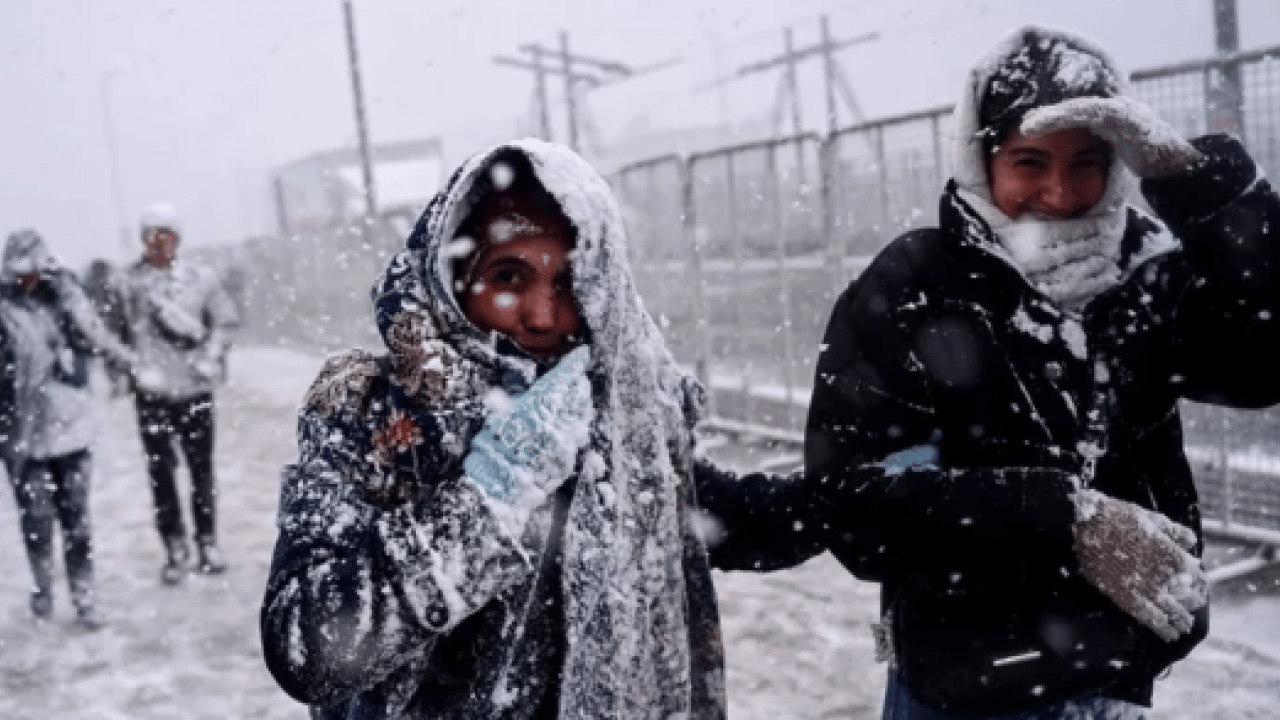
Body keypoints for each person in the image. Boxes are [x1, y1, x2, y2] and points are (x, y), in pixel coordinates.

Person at [805, 26, 1280, 719]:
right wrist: (1062, 519)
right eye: (1030, 161)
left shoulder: (1143, 270)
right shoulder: (916, 283)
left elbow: (1263, 362)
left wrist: (1204, 188)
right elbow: (851, 502)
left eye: (1088, 162)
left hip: (1115, 677)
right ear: (982, 158)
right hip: (962, 690)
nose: (1060, 193)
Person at [260, 139, 821, 719]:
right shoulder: (369, 410)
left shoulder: (607, 405)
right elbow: (307, 646)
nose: (543, 315)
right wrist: (491, 496)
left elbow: (697, 513)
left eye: (571, 282)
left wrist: (835, 501)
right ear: (453, 277)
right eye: (509, 276)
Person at [0, 230, 136, 627]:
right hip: (22, 434)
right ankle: (43, 588)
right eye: (19, 273)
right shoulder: (3, 309)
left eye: (33, 271)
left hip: (71, 427)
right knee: (36, 520)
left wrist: (68, 292)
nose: (27, 279)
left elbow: (95, 337)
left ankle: (84, 594)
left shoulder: (64, 301)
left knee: (77, 520)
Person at [122, 203, 240, 584]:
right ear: (143, 240)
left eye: (165, 235)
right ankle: (174, 546)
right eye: (151, 236)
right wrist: (132, 366)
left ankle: (207, 541)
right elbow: (111, 333)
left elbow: (225, 321)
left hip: (194, 390)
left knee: (201, 470)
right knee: (161, 474)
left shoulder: (200, 279)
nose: (158, 243)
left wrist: (211, 356)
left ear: (177, 239)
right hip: (152, 395)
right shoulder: (128, 285)